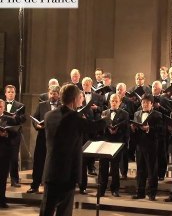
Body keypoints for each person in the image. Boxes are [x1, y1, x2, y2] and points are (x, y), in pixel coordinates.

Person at [39, 84, 107, 216]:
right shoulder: (74, 118)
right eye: (80, 97)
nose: (82, 100)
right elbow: (94, 126)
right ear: (75, 99)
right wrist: (107, 118)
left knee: (46, 209)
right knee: (64, 211)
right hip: (67, 172)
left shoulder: (48, 115)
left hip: (51, 170)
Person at [27, 85, 61, 194]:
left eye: (54, 94)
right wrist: (37, 125)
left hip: (57, 140)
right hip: (42, 138)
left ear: (59, 95)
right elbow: (35, 118)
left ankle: (53, 188)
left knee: (55, 164)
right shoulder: (42, 105)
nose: (52, 96)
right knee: (39, 161)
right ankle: (35, 185)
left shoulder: (62, 106)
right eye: (50, 93)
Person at [131, 94, 162, 201]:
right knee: (140, 170)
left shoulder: (157, 115)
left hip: (151, 145)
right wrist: (133, 129)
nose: (144, 104)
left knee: (152, 170)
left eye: (146, 102)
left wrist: (149, 128)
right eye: (143, 102)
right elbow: (134, 131)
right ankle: (140, 192)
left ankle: (152, 193)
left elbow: (160, 130)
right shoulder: (136, 114)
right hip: (140, 145)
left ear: (152, 104)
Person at [99, 94, 130, 197]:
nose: (114, 102)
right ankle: (102, 189)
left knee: (115, 168)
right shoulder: (104, 113)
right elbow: (100, 129)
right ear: (109, 102)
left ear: (120, 102)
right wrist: (107, 129)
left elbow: (126, 129)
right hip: (106, 142)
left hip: (117, 142)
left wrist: (117, 130)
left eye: (116, 101)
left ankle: (115, 189)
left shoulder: (124, 114)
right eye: (112, 100)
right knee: (103, 167)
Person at [4, 85, 26, 188]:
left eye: (12, 92)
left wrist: (15, 117)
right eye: (8, 92)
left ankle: (14, 180)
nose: (10, 94)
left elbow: (23, 119)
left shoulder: (20, 105)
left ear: (15, 93)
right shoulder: (1, 104)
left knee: (13, 158)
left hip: (14, 134)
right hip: (2, 134)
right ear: (5, 93)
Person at [0, 99, 19, 208]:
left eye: (0, 107)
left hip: (4, 152)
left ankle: (2, 200)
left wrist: (6, 135)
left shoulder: (9, 119)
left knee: (2, 178)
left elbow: (15, 134)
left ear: (3, 107)